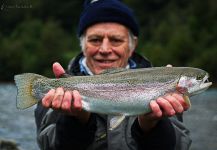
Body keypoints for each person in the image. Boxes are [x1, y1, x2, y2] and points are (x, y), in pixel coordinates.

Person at [35, 0, 192, 149]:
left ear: (132, 45)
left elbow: (180, 146)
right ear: (83, 44)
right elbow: (47, 144)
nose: (104, 49)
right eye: (95, 40)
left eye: (116, 40)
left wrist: (151, 124)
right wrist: (76, 120)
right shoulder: (56, 90)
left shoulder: (161, 85)